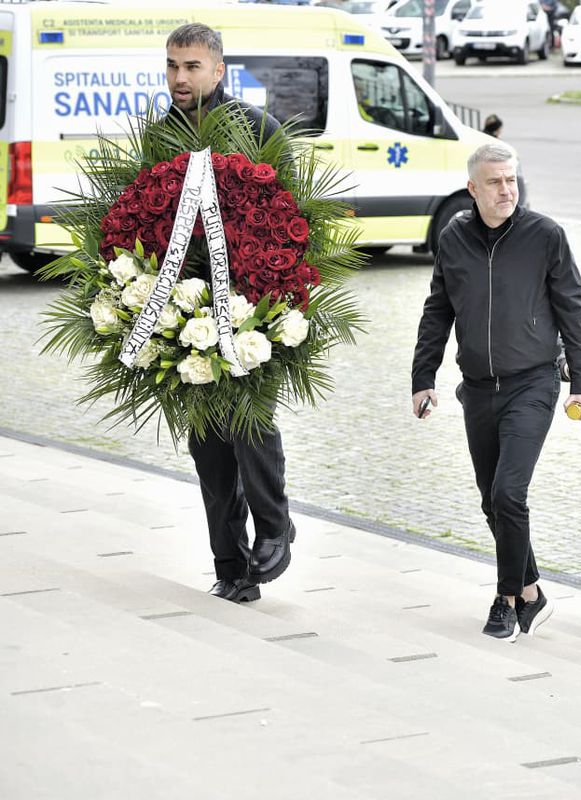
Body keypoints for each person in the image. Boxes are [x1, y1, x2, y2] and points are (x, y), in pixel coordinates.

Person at [411, 143, 581, 642]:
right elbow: (438, 309)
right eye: (494, 182)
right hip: (477, 389)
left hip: (531, 383)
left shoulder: (545, 236)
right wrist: (423, 377)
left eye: (511, 179)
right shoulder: (454, 237)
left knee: (509, 492)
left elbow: (573, 311)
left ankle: (507, 597)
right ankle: (532, 591)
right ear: (473, 189)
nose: (506, 190)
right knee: (492, 501)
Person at [163, 23, 295, 603]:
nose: (181, 77)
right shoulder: (161, 134)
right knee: (208, 450)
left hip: (249, 305)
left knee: (250, 427)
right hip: (180, 308)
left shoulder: (256, 128)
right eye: (172, 65)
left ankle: (275, 529)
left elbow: (296, 212)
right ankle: (232, 567)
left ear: (219, 71)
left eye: (192, 66)